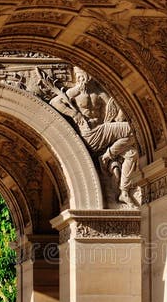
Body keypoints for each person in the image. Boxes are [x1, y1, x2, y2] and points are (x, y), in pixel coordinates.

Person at [41, 67, 139, 207]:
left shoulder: (99, 93)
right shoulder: (75, 92)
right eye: (79, 76)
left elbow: (114, 104)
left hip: (102, 132)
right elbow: (55, 102)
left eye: (83, 76)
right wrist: (75, 114)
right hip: (88, 135)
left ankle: (123, 191)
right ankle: (107, 156)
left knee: (132, 153)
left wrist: (117, 115)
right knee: (132, 130)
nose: (81, 79)